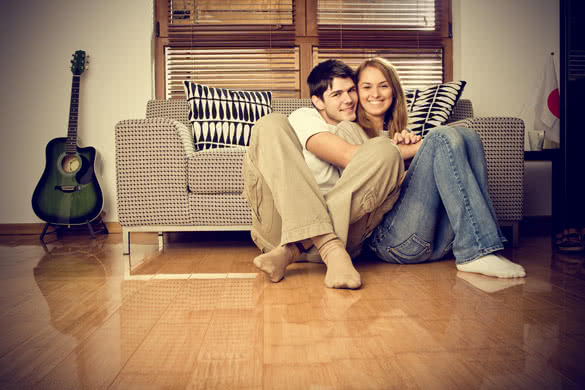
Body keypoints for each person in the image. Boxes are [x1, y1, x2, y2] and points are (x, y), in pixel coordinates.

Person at [355, 57, 526, 278]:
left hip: (436, 243)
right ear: (356, 93)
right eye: (366, 87)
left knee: (468, 136)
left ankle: (485, 247)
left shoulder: (402, 134)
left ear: (394, 91)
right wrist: (413, 155)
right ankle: (475, 252)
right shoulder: (351, 133)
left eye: (383, 85)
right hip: (390, 243)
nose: (375, 94)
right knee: (440, 136)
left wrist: (414, 159)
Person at [242, 59, 404, 289]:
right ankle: (329, 246)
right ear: (317, 101)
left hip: (344, 233)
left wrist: (397, 143)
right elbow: (348, 155)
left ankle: (293, 250)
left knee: (387, 151)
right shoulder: (305, 118)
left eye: (351, 91)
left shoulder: (360, 133)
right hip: (280, 232)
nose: (348, 99)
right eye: (337, 94)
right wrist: (417, 147)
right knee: (270, 123)